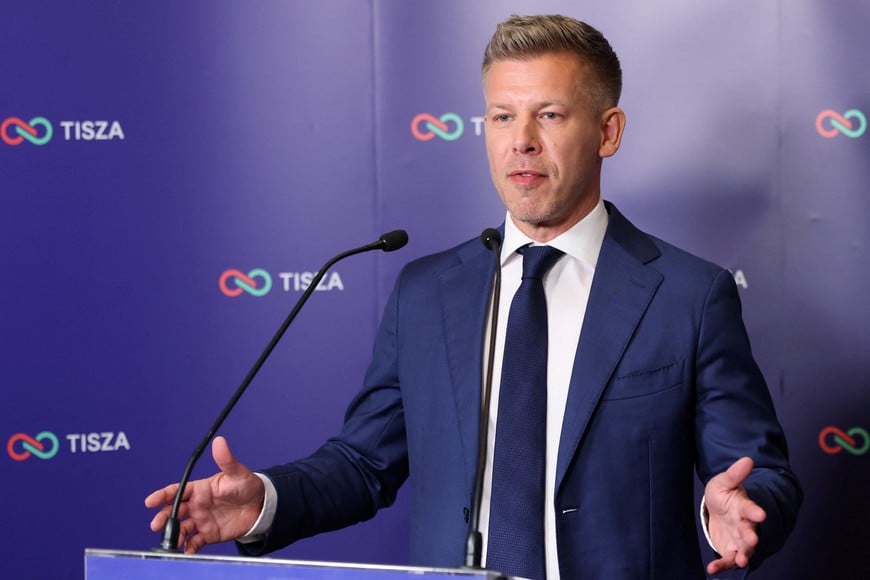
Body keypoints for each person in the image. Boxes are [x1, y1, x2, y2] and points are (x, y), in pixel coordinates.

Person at [146, 14, 801, 579]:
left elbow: (761, 473)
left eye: (549, 114)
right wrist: (263, 502)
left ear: (608, 132)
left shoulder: (688, 295)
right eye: (501, 116)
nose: (522, 140)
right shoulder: (427, 293)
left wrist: (736, 517)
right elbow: (363, 464)